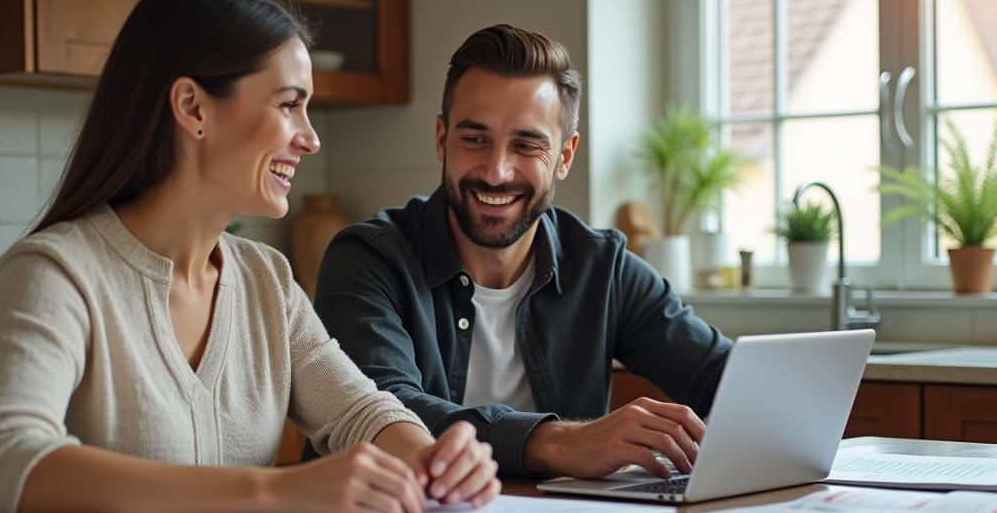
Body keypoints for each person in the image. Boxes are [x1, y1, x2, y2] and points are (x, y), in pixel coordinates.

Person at [0, 0, 499, 513]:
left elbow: (359, 411)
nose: (310, 138)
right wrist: (273, 491)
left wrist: (430, 461)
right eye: (288, 105)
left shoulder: (266, 280)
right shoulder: (58, 272)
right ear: (193, 107)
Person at [314, 24, 733, 480]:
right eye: (474, 139)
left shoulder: (602, 268)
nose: (496, 172)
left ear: (565, 156)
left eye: (527, 145)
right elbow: (385, 413)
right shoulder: (368, 259)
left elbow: (724, 376)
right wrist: (561, 443)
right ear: (441, 138)